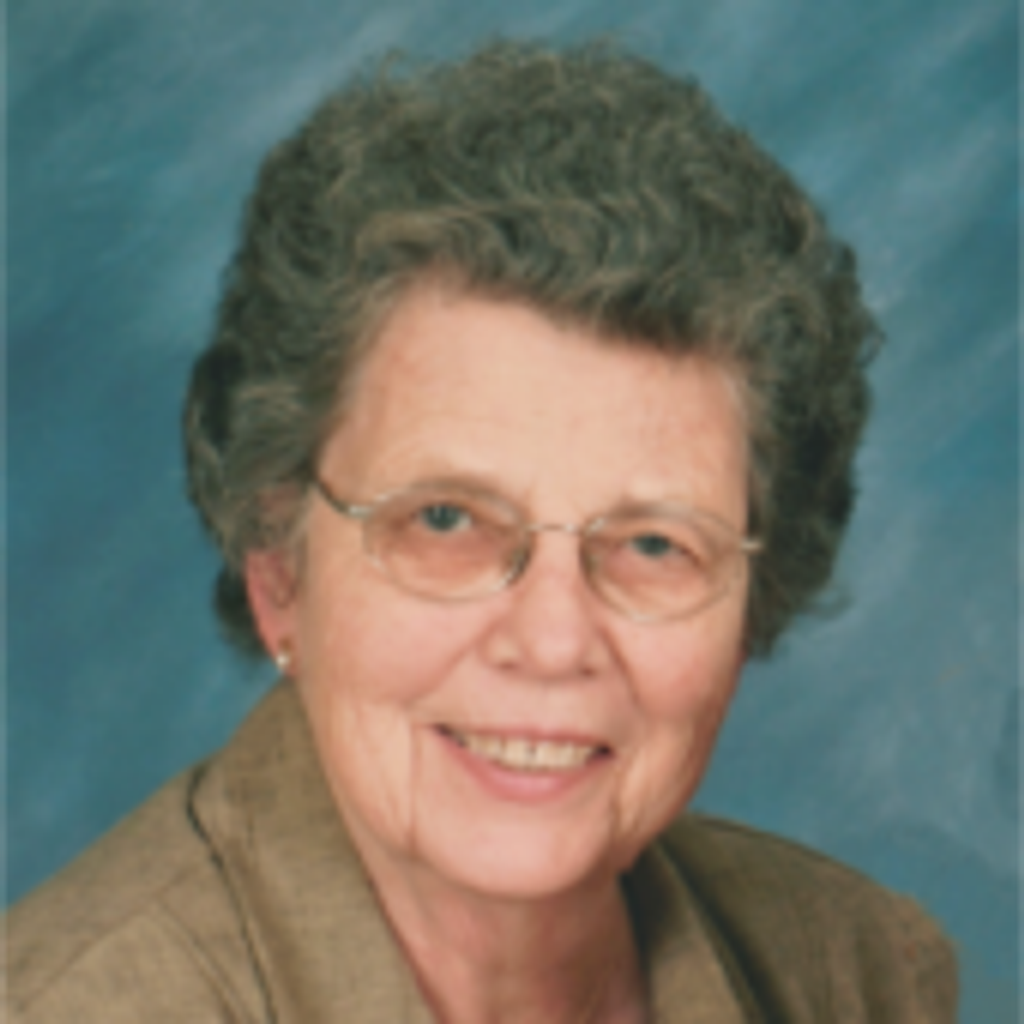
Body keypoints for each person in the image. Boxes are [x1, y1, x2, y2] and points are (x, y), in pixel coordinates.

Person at [0, 40, 956, 1023]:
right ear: (279, 568)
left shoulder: (859, 974)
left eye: (652, 544)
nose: (552, 641)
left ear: (755, 593)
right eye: (446, 520)